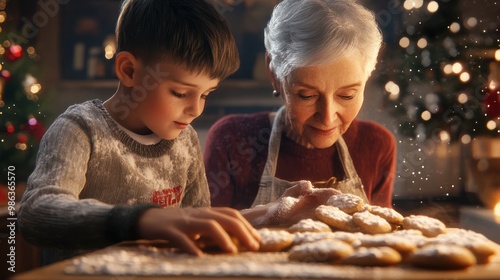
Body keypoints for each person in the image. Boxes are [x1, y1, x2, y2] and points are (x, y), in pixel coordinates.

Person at [18, 0, 260, 265]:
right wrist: (139, 221)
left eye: (205, 94)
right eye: (180, 93)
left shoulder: (185, 140)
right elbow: (37, 213)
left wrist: (266, 215)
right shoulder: (80, 130)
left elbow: (199, 224)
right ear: (129, 70)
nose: (196, 109)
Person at [204, 0, 396, 227]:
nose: (327, 117)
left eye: (347, 96)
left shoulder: (376, 145)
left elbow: (382, 233)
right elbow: (206, 233)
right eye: (307, 95)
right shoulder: (233, 140)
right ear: (274, 73)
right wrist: (270, 215)